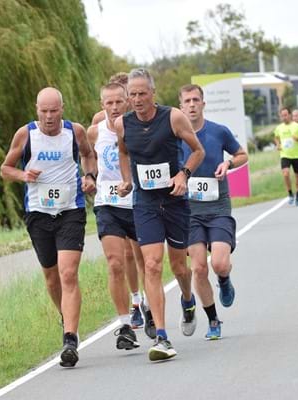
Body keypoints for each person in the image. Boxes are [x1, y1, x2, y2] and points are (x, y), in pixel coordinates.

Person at [0, 87, 97, 368]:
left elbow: (88, 155)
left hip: (70, 210)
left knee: (68, 273)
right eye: (44, 111)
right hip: (38, 214)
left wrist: (90, 176)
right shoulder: (25, 134)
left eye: (54, 111)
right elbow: (5, 169)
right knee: (52, 278)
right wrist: (23, 175)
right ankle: (65, 317)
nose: (49, 116)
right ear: (37, 110)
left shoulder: (75, 132)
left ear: (62, 109)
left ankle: (70, 339)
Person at [115, 68, 205, 361]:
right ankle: (163, 337)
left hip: (175, 201)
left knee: (179, 268)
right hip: (145, 203)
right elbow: (123, 152)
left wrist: (183, 174)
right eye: (132, 94)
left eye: (142, 93)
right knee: (152, 265)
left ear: (153, 93)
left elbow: (198, 151)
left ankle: (188, 300)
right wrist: (127, 180)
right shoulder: (122, 124)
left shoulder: (173, 117)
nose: (137, 99)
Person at [178, 84, 248, 340]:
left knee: (219, 263)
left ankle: (224, 279)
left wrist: (228, 163)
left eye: (196, 100)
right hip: (189, 211)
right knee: (198, 268)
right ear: (181, 106)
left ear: (203, 104)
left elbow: (242, 155)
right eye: (187, 101)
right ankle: (213, 320)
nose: (192, 104)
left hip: (218, 206)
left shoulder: (218, 131)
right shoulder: (175, 137)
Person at [87, 82, 143, 351]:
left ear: (127, 102)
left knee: (146, 261)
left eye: (119, 102)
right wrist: (89, 176)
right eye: (108, 103)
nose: (114, 107)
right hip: (107, 203)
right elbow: (87, 156)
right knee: (115, 263)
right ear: (102, 105)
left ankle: (148, 307)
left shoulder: (139, 127)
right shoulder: (94, 132)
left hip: (138, 203)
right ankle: (124, 325)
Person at [274, 107, 298, 206]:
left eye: (285, 115)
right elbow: (276, 137)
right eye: (282, 115)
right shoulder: (279, 128)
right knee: (285, 174)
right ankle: (290, 194)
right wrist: (278, 144)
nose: (284, 117)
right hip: (285, 155)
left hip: (297, 155)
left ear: (289, 115)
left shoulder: (297, 126)